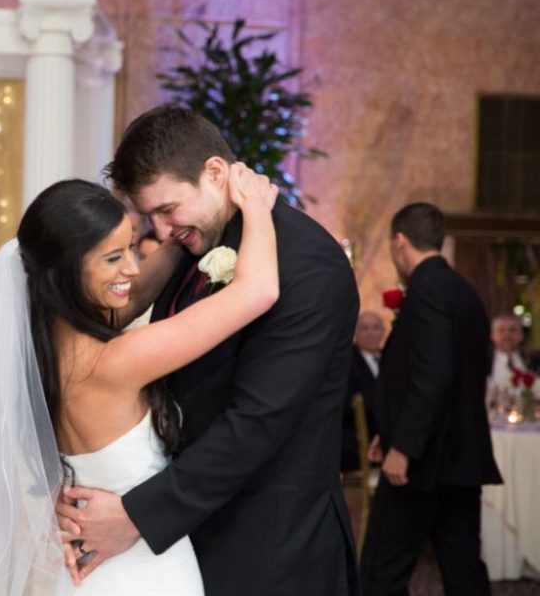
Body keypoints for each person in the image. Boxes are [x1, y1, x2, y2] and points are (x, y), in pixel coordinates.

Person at [0, 164, 280, 595]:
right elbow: (258, 290)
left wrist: (178, 234)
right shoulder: (114, 362)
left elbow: (136, 289)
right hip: (144, 571)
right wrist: (255, 206)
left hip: (90, 572)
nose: (131, 267)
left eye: (131, 248)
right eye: (114, 257)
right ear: (68, 272)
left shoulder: (48, 351)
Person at [58, 105, 361, 595]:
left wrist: (136, 515)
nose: (159, 230)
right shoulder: (195, 245)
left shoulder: (307, 264)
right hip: (193, 530)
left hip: (271, 545)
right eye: (150, 216)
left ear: (215, 173)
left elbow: (258, 422)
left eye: (166, 209)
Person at [360, 203, 503, 596]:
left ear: (400, 241)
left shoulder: (426, 292)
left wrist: (403, 446)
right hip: (459, 456)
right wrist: (388, 431)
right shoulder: (465, 292)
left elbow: (433, 377)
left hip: (421, 463)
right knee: (462, 568)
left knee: (381, 569)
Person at [342, 310, 384, 472]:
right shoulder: (347, 362)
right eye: (364, 328)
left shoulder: (390, 359)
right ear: (355, 332)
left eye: (375, 328)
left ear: (383, 331)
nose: (370, 333)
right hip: (359, 437)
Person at [489, 313, 539, 386]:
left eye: (512, 330)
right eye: (501, 330)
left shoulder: (535, 360)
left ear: (521, 335)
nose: (507, 335)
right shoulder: (482, 362)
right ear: (492, 335)